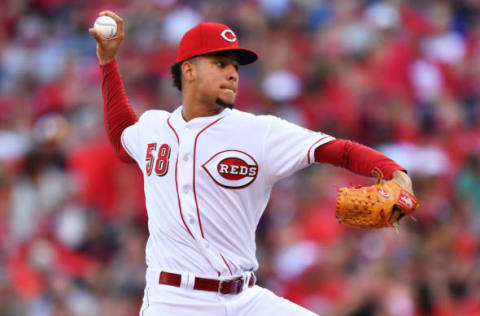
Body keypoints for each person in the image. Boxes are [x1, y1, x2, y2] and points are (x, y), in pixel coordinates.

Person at [89, 10, 415, 316]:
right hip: (174, 300)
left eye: (234, 65)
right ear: (188, 70)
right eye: (219, 63)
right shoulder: (153, 127)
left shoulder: (260, 132)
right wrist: (108, 63)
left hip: (244, 298)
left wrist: (393, 172)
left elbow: (337, 150)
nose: (232, 72)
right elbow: (121, 138)